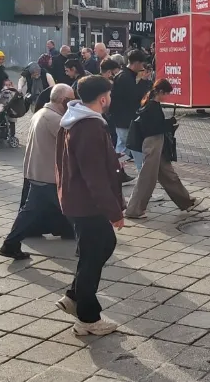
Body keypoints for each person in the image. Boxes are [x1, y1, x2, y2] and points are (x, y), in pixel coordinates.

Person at [53, 75, 126, 335]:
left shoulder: (77, 120)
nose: (110, 100)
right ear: (103, 98)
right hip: (87, 204)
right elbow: (93, 176)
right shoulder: (89, 127)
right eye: (110, 95)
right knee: (94, 255)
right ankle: (87, 318)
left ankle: (74, 297)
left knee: (98, 250)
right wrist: (114, 211)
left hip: (77, 200)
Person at [0, 84, 77, 260]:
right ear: (63, 100)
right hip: (49, 175)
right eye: (71, 99)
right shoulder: (54, 119)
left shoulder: (42, 113)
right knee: (74, 211)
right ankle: (88, 244)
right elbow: (71, 144)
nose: (73, 103)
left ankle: (10, 244)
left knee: (29, 212)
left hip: (38, 172)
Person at [124, 79, 202, 218]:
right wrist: (170, 124)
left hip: (156, 142)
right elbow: (153, 128)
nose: (167, 97)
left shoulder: (150, 103)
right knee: (148, 177)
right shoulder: (152, 106)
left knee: (168, 174)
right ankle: (134, 209)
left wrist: (168, 124)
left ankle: (186, 201)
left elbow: (154, 125)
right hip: (153, 142)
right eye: (166, 93)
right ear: (160, 92)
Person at [110, 49, 148, 165]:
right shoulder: (125, 77)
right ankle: (117, 170)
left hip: (122, 118)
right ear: (136, 63)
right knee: (126, 147)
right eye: (141, 64)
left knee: (124, 147)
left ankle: (118, 169)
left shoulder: (124, 75)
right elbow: (135, 97)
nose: (142, 67)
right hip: (125, 119)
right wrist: (143, 82)